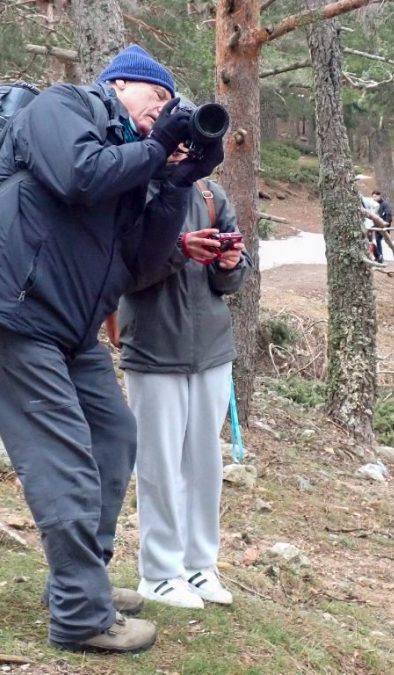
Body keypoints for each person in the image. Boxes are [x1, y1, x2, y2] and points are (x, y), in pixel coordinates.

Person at [0, 45, 224, 654]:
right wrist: (155, 149)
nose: (165, 111)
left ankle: (78, 578)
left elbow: (142, 262)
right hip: (10, 306)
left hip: (70, 325)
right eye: (157, 97)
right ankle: (80, 615)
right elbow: (78, 174)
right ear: (119, 84)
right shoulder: (63, 106)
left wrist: (176, 183)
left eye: (172, 105)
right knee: (63, 457)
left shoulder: (135, 160)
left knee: (113, 437)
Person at [117, 142, 251, 609]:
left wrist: (230, 265)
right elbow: (124, 271)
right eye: (174, 140)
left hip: (211, 349)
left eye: (189, 144)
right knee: (158, 464)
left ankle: (199, 565)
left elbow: (232, 279)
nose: (180, 151)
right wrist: (178, 250)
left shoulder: (211, 195)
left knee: (205, 463)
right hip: (154, 348)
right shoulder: (132, 192)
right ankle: (158, 572)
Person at [371, 190, 393, 263]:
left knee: (388, 241)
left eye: (375, 196)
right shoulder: (374, 205)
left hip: (384, 226)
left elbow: (388, 214)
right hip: (377, 226)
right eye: (373, 197)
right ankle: (380, 256)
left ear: (379, 196)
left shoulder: (384, 204)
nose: (374, 198)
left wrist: (387, 223)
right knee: (378, 240)